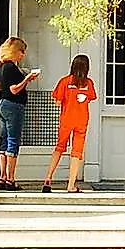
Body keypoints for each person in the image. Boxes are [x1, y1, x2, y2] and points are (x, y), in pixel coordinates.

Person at [0, 36, 38, 190]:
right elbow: (14, 89)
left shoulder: (2, 67)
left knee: (3, 141)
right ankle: (10, 179)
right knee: (13, 141)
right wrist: (27, 79)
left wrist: (3, 90)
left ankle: (2, 177)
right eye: (21, 51)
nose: (23, 55)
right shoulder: (12, 68)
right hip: (14, 106)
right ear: (15, 52)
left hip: (2, 104)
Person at [44, 54, 97, 193]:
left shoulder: (64, 81)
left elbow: (57, 101)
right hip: (82, 120)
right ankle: (71, 185)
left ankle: (48, 178)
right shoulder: (89, 83)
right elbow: (91, 98)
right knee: (76, 153)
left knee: (59, 148)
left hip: (66, 119)